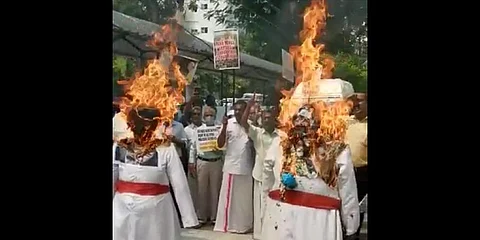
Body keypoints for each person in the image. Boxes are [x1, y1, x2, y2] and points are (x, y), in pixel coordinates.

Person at [261, 107, 360, 240]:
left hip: (319, 219)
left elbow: (348, 191)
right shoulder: (281, 143)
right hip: (282, 215)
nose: (303, 124)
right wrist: (351, 228)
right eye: (300, 119)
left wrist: (351, 227)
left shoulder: (337, 150)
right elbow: (267, 180)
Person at [113, 108, 198, 240]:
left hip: (156, 211)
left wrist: (188, 218)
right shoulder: (119, 146)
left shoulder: (165, 148)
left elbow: (179, 183)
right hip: (123, 209)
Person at [240, 97, 284, 240]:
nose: (265, 120)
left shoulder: (282, 136)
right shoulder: (257, 133)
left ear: (274, 120)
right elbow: (243, 122)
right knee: (260, 206)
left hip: (277, 177)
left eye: (268, 118)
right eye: (263, 118)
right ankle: (260, 235)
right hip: (260, 175)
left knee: (276, 205)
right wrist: (249, 106)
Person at [214, 100, 254, 234]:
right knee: (228, 200)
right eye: (235, 110)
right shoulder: (229, 124)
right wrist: (224, 127)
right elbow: (219, 145)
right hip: (232, 167)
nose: (238, 112)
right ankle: (226, 226)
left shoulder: (251, 125)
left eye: (241, 110)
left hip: (247, 168)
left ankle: (242, 226)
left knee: (244, 201)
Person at [189, 106, 224, 225]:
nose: (209, 117)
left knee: (215, 190)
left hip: (216, 161)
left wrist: (220, 149)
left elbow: (224, 145)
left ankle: (214, 217)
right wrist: (191, 162)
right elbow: (193, 147)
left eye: (211, 115)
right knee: (201, 190)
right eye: (207, 115)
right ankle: (202, 217)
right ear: (203, 117)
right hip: (202, 161)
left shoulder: (219, 128)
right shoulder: (198, 130)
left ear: (215, 116)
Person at [346, 93, 367, 239]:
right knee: (343, 205)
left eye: (360, 101)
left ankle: (354, 235)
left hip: (362, 174)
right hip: (342, 172)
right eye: (355, 102)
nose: (356, 104)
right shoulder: (345, 122)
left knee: (357, 209)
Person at [184, 106, 204, 215]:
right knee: (192, 189)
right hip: (191, 162)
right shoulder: (186, 130)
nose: (196, 116)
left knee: (203, 190)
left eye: (198, 114)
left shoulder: (207, 128)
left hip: (204, 161)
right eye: (194, 114)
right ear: (191, 117)